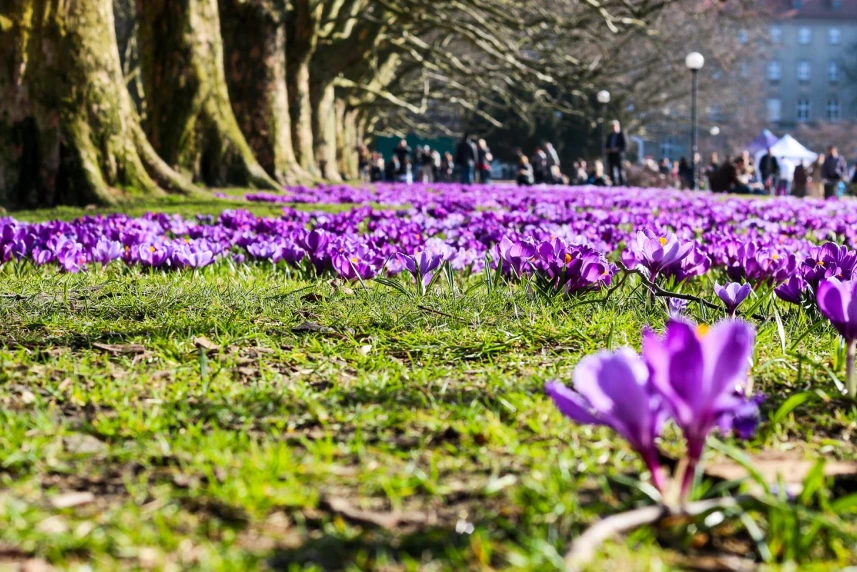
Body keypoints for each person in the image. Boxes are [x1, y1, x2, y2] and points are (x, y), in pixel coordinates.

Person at [605, 120, 627, 185]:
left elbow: (625, 145)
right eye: (611, 127)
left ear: (618, 126)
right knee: (611, 171)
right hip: (611, 155)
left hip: (619, 156)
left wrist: (617, 149)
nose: (613, 128)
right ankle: (613, 184)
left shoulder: (622, 134)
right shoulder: (610, 135)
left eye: (614, 126)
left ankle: (622, 184)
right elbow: (607, 145)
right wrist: (608, 149)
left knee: (620, 170)